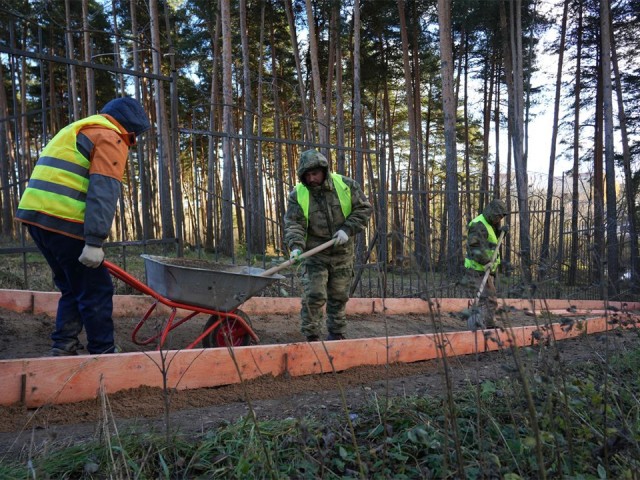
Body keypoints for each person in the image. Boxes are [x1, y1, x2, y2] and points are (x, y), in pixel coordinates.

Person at [16, 97, 151, 356]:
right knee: (96, 289)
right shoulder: (110, 136)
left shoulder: (78, 128)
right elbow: (103, 190)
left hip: (36, 218)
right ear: (130, 128)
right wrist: (94, 241)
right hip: (65, 221)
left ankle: (64, 343)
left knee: (72, 286)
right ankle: (104, 351)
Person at [284, 149, 372, 342]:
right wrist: (296, 246)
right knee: (314, 294)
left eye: (314, 173)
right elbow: (294, 223)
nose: (312, 178)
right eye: (307, 175)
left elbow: (364, 208)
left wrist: (347, 229)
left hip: (342, 253)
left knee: (339, 296)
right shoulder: (298, 194)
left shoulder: (346, 185)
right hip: (314, 254)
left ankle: (336, 334)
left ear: (324, 171)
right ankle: (312, 335)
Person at [463, 198, 509, 329]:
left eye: (501, 216)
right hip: (477, 268)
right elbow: (474, 247)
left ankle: (487, 323)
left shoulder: (491, 224)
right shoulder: (478, 225)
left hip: (485, 268)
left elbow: (491, 241)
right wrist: (486, 261)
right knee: (486, 298)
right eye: (498, 216)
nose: (499, 219)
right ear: (491, 212)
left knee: (490, 298)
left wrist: (502, 232)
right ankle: (479, 325)